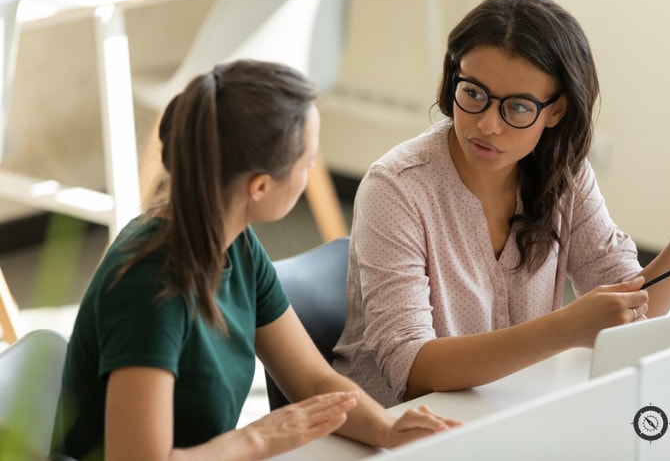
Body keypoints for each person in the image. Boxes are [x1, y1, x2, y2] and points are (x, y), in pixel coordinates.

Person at [331, 0, 670, 408]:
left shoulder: (564, 173)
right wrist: (562, 330)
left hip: (509, 407)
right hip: (397, 428)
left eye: (517, 108)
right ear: (453, 78)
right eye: (474, 93)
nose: (487, 125)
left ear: (556, 111)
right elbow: (409, 370)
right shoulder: (397, 187)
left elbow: (636, 312)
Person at [51, 59, 459, 460]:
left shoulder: (236, 245)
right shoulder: (149, 288)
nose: (312, 168)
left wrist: (387, 428)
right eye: (308, 160)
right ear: (260, 186)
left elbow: (314, 382)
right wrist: (259, 439)